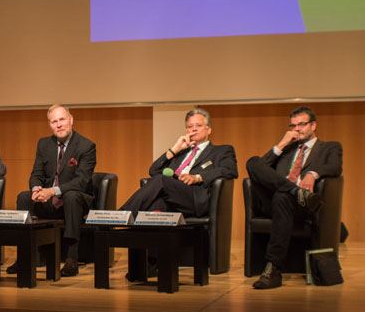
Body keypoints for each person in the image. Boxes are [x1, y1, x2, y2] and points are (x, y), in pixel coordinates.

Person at [119, 108, 238, 277]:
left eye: (198, 125)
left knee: (161, 180)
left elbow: (230, 170)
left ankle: (123, 215)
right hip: (172, 199)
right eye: (190, 127)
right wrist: (174, 149)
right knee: (155, 207)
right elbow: (153, 170)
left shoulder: (222, 150)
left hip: (195, 199)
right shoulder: (180, 153)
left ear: (209, 129)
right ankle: (147, 266)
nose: (193, 129)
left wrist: (198, 177)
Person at [246, 106, 342, 289]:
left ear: (313, 125)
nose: (297, 129)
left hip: (303, 206)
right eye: (293, 125)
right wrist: (281, 144)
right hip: (275, 200)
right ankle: (294, 191)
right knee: (252, 161)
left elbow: (335, 167)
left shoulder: (330, 147)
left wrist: (312, 174)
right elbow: (260, 168)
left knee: (283, 196)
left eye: (302, 124)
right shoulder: (287, 149)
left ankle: (273, 268)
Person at [9, 104, 96, 277]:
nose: (59, 125)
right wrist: (36, 189)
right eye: (54, 121)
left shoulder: (86, 146)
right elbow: (36, 174)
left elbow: (81, 181)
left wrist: (53, 191)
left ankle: (72, 259)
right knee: (24, 197)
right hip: (49, 200)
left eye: (62, 119)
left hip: (74, 202)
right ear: (50, 125)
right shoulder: (43, 144)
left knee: (71, 196)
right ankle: (24, 256)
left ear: (71, 119)